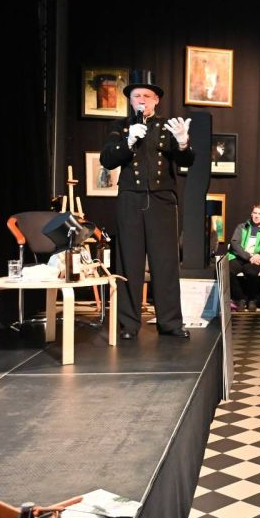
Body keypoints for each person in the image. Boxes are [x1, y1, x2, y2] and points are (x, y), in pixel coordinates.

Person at [99, 70, 192, 340]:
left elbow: (187, 161)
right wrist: (128, 142)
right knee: (129, 261)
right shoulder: (119, 126)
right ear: (130, 100)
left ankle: (170, 323)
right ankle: (128, 324)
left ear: (156, 100)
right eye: (137, 95)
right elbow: (107, 160)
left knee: (166, 262)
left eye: (147, 96)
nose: (142, 100)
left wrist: (183, 142)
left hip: (162, 200)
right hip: (130, 199)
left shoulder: (167, 126)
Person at [226, 203, 260, 311]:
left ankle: (252, 300)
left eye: (259, 214)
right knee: (227, 271)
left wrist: (259, 255)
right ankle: (240, 299)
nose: (256, 216)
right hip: (239, 257)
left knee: (252, 273)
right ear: (251, 214)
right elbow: (234, 243)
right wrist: (248, 256)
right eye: (255, 213)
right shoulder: (241, 227)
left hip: (255, 259)